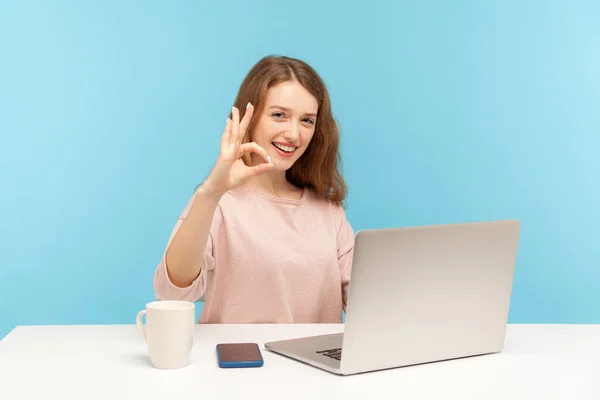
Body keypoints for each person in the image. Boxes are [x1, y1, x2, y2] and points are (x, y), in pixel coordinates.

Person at [153, 55, 355, 324]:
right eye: (279, 115)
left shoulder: (329, 212)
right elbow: (171, 294)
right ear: (250, 118)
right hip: (241, 364)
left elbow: (366, 305)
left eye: (307, 120)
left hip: (313, 365)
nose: (294, 134)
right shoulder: (217, 202)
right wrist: (212, 191)